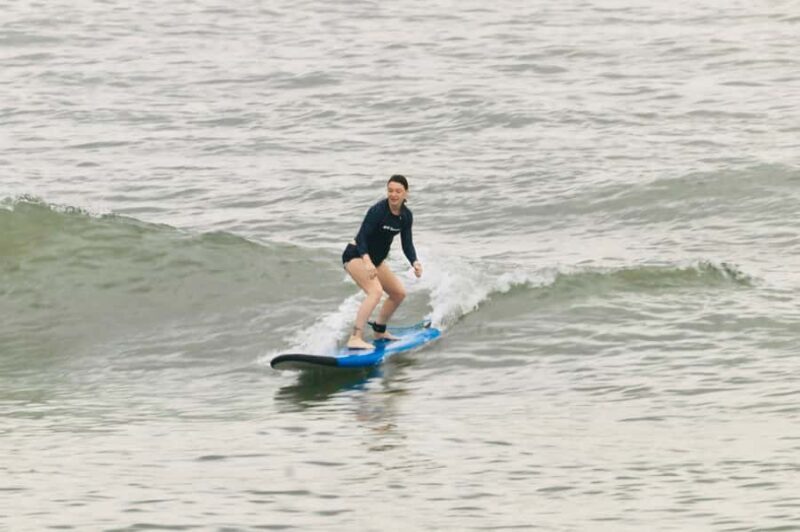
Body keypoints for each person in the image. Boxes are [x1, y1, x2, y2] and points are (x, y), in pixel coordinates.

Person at [341, 175, 423, 349]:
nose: (393, 194)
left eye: (398, 191)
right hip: (356, 255)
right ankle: (355, 337)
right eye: (390, 190)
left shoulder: (406, 216)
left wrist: (414, 262)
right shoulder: (378, 211)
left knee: (398, 293)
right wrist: (366, 260)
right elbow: (361, 237)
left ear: (406, 193)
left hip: (376, 260)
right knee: (375, 292)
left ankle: (379, 330)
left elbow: (407, 243)